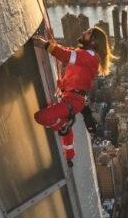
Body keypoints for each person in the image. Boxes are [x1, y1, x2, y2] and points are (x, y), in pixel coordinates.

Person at [33, 27, 115, 167]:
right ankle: (70, 153)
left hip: (73, 100)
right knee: (66, 131)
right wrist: (52, 43)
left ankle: (63, 124)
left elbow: (65, 55)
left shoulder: (90, 56)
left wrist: (44, 44)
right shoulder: (85, 54)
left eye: (87, 33)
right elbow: (67, 52)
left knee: (40, 117)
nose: (83, 32)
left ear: (94, 41)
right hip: (70, 98)